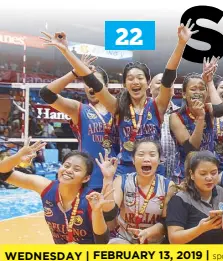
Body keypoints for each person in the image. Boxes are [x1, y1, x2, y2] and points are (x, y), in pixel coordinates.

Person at [71, 21, 196, 175]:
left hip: (153, 169)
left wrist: (181, 44)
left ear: (147, 82)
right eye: (130, 78)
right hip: (125, 169)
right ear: (125, 84)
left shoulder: (158, 105)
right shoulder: (117, 106)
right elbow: (95, 84)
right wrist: (66, 51)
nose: (135, 82)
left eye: (139, 78)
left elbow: (169, 76)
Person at [37, 38, 116, 191]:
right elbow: (46, 93)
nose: (91, 86)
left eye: (94, 82)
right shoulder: (79, 109)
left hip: (117, 180)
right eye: (87, 82)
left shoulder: (118, 109)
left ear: (105, 86)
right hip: (88, 181)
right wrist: (75, 72)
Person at [0, 138, 110, 244]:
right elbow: (3, 174)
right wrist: (18, 157)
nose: (68, 170)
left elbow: (102, 241)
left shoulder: (91, 199)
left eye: (76, 169)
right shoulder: (46, 187)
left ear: (86, 178)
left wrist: (97, 212)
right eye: (66, 165)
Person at [99, 140, 176, 244]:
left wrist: (147, 232)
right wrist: (108, 178)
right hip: (125, 240)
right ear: (133, 160)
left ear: (159, 160)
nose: (146, 159)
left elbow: (166, 222)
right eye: (141, 155)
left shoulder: (168, 186)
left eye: (152, 155)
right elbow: (110, 213)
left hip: (154, 242)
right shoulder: (122, 180)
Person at [169, 57, 223, 184]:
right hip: (187, 173)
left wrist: (209, 81)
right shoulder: (176, 116)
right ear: (184, 94)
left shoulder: (209, 108)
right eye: (193, 89)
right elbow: (191, 149)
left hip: (209, 171)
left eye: (201, 89)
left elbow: (220, 110)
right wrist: (200, 118)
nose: (198, 92)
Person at [167, 151, 223, 244]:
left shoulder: (220, 191)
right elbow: (173, 239)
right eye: (203, 174)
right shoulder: (180, 199)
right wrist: (200, 229)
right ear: (192, 174)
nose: (209, 178)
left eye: (214, 173)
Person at [150, 72, 180, 179]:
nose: (164, 85)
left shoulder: (181, 114)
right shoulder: (142, 113)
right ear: (150, 88)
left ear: (173, 90)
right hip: (149, 176)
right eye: (159, 83)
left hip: (177, 177)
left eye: (169, 83)